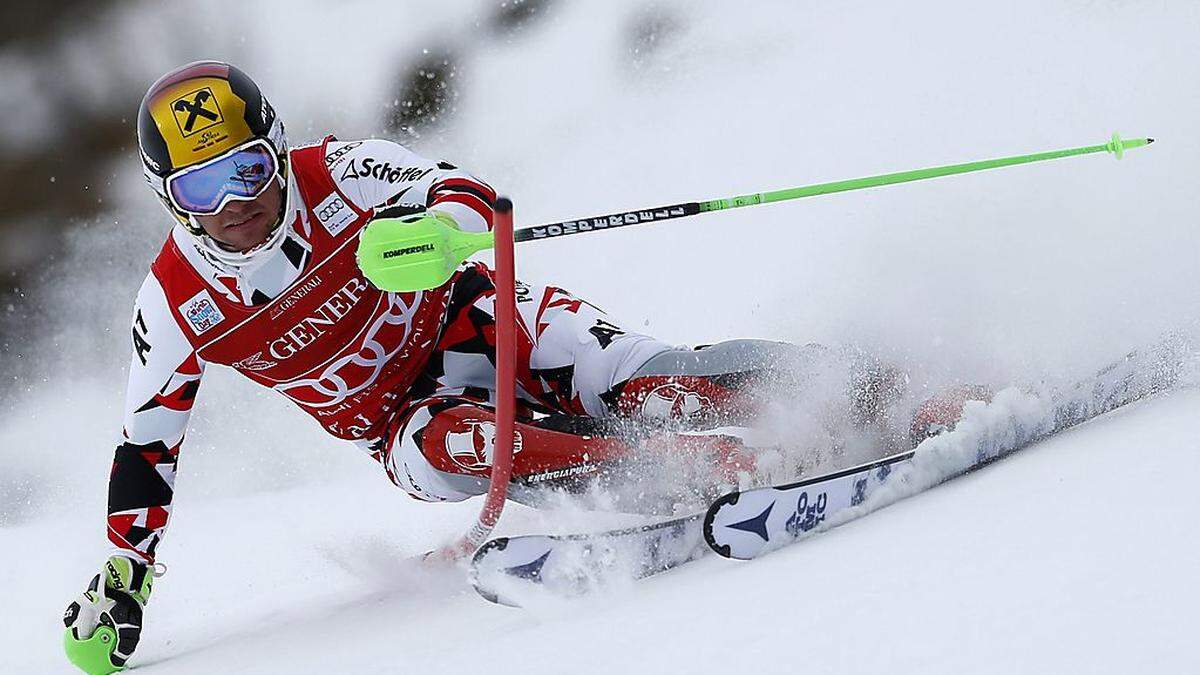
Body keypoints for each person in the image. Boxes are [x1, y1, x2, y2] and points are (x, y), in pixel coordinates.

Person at [64, 61, 929, 672]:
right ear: (169, 199)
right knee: (460, 441)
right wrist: (123, 576)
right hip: (401, 425)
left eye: (248, 169)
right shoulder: (174, 303)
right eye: (201, 192)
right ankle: (709, 472)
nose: (238, 205)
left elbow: (465, 190)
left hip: (484, 320)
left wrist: (441, 222)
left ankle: (884, 386)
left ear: (276, 148)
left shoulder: (335, 170)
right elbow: (147, 451)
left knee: (651, 379)